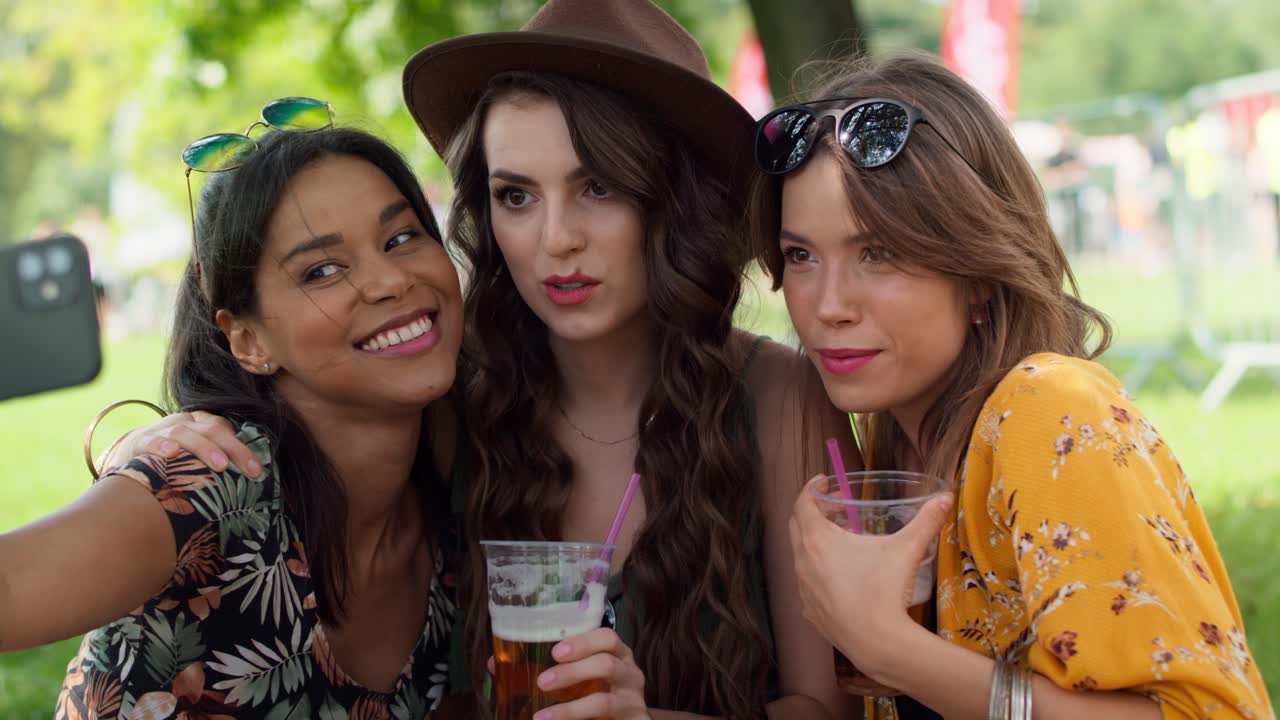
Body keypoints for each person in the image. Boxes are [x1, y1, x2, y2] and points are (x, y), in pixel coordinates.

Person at [104, 2, 854, 718]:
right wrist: (149, 445)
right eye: (516, 195)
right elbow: (292, 430)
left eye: (598, 186)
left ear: (675, 200)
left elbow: (829, 707)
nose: (556, 239)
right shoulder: (450, 402)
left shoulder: (780, 395)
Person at [755, 54, 1273, 719]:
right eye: (801, 256)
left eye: (878, 252)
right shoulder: (895, 449)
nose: (828, 306)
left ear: (977, 270)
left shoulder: (1047, 408)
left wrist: (886, 646)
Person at [0, 125, 465, 719]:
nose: (390, 280)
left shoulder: (468, 479)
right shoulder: (211, 480)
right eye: (322, 270)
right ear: (247, 339)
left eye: (401, 237)